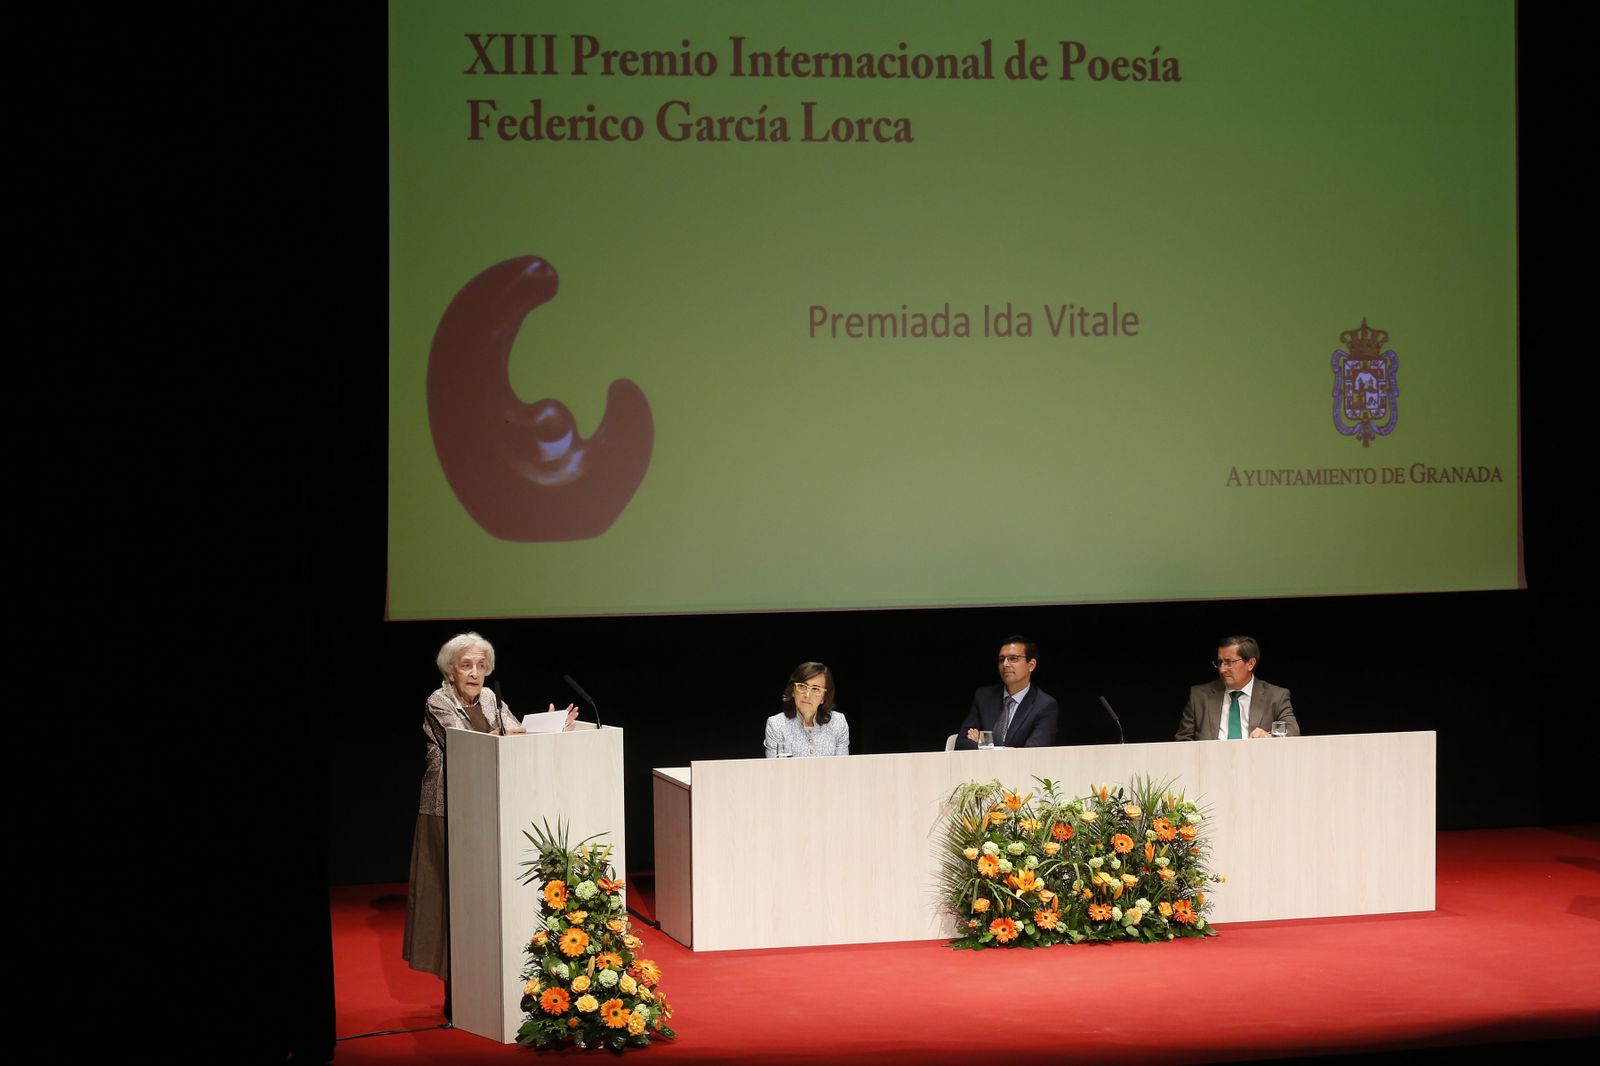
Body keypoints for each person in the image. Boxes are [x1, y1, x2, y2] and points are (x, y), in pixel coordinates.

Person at [404, 631, 578, 1016]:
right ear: (450, 669)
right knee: (451, 898)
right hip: (447, 812)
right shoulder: (439, 700)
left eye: (482, 666)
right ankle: (456, 993)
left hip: (491, 811)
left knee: (485, 898)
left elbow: (513, 734)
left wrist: (550, 728)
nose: (475, 673)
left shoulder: (489, 699)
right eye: (467, 665)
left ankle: (491, 984)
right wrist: (507, 733)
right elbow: (466, 744)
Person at [1175, 635, 1299, 741]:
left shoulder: (1275, 696)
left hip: (1258, 764)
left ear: (1250, 664)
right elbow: (1183, 741)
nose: (1222, 669)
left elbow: (1292, 731)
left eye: (1229, 662)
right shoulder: (1199, 696)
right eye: (1219, 662)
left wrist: (1269, 736)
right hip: (1210, 764)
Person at [953, 636, 1059, 749]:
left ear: (1031, 665)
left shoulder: (1044, 705)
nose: (1005, 664)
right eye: (1001, 659)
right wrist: (1007, 750)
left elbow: (1032, 754)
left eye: (1013, 658)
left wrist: (986, 744)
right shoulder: (984, 697)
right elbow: (961, 743)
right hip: (982, 766)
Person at [763, 661, 850, 757]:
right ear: (793, 691)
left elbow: (842, 768)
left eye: (815, 689)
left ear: (823, 698)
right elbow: (774, 770)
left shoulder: (838, 722)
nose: (807, 695)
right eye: (802, 686)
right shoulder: (776, 725)